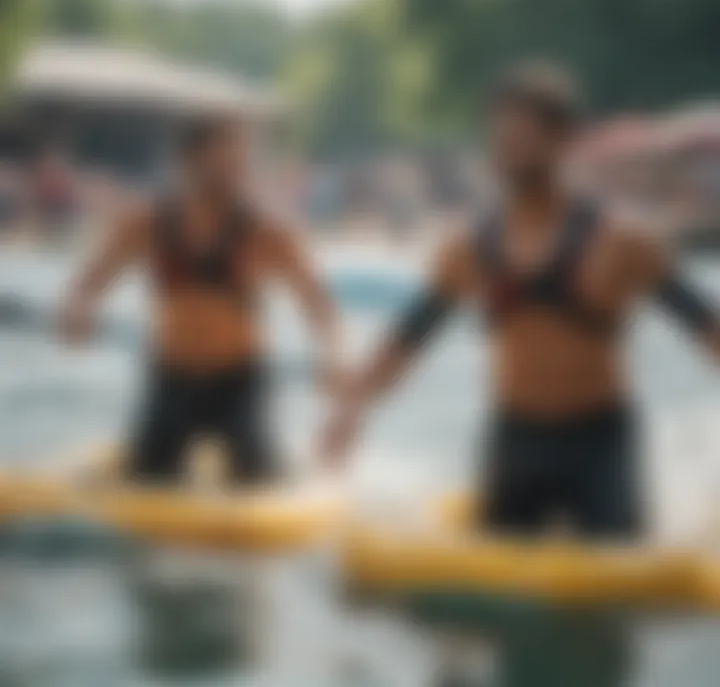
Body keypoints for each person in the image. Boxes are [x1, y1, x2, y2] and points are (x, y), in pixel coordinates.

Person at [322, 61, 720, 540]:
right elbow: (408, 338)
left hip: (598, 445)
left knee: (607, 594)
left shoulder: (623, 242)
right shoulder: (469, 248)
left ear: (563, 139)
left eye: (521, 137)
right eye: (500, 137)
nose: (507, 150)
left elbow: (704, 325)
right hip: (516, 442)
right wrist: (351, 410)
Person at [60, 115, 342, 485]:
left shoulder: (267, 231)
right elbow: (88, 285)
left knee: (255, 478)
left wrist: (333, 356)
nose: (241, 168)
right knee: (150, 480)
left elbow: (320, 306)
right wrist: (80, 311)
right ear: (190, 161)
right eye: (228, 159)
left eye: (242, 159)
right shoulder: (146, 223)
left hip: (239, 384)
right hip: (170, 379)